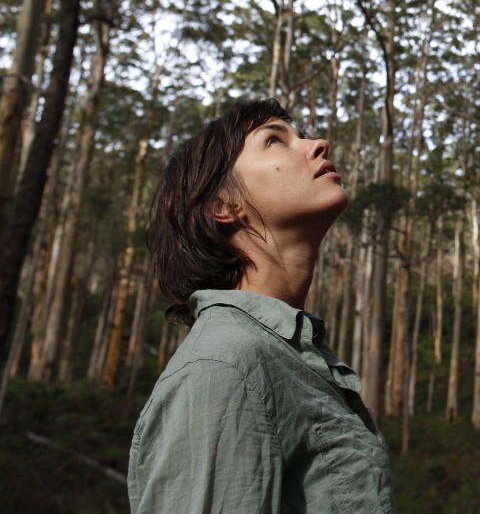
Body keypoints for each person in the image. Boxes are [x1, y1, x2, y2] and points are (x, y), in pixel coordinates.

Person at [128, 98, 394, 513]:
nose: (319, 144)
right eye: (274, 140)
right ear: (224, 205)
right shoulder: (225, 366)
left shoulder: (282, 355)